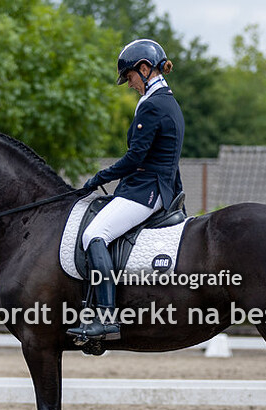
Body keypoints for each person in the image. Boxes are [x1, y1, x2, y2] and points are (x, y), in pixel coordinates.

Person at [67, 38, 185, 344]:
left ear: (144, 69)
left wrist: (99, 177)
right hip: (155, 187)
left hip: (146, 190)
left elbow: (136, 158)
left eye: (130, 77)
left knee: (94, 235)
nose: (130, 84)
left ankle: (105, 317)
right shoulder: (167, 101)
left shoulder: (153, 105)